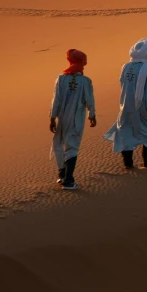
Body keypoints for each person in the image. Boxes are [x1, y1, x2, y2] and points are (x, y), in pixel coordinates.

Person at [103, 38, 147, 168]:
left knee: (126, 131)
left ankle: (128, 163)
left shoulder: (125, 66)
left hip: (126, 105)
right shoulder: (145, 68)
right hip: (142, 105)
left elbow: (122, 83)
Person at [50, 49, 96, 190]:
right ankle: (68, 180)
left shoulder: (61, 79)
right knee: (72, 146)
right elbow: (89, 100)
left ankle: (61, 175)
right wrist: (92, 115)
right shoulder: (85, 81)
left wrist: (52, 117)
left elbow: (55, 100)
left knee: (58, 144)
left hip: (62, 118)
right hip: (76, 118)